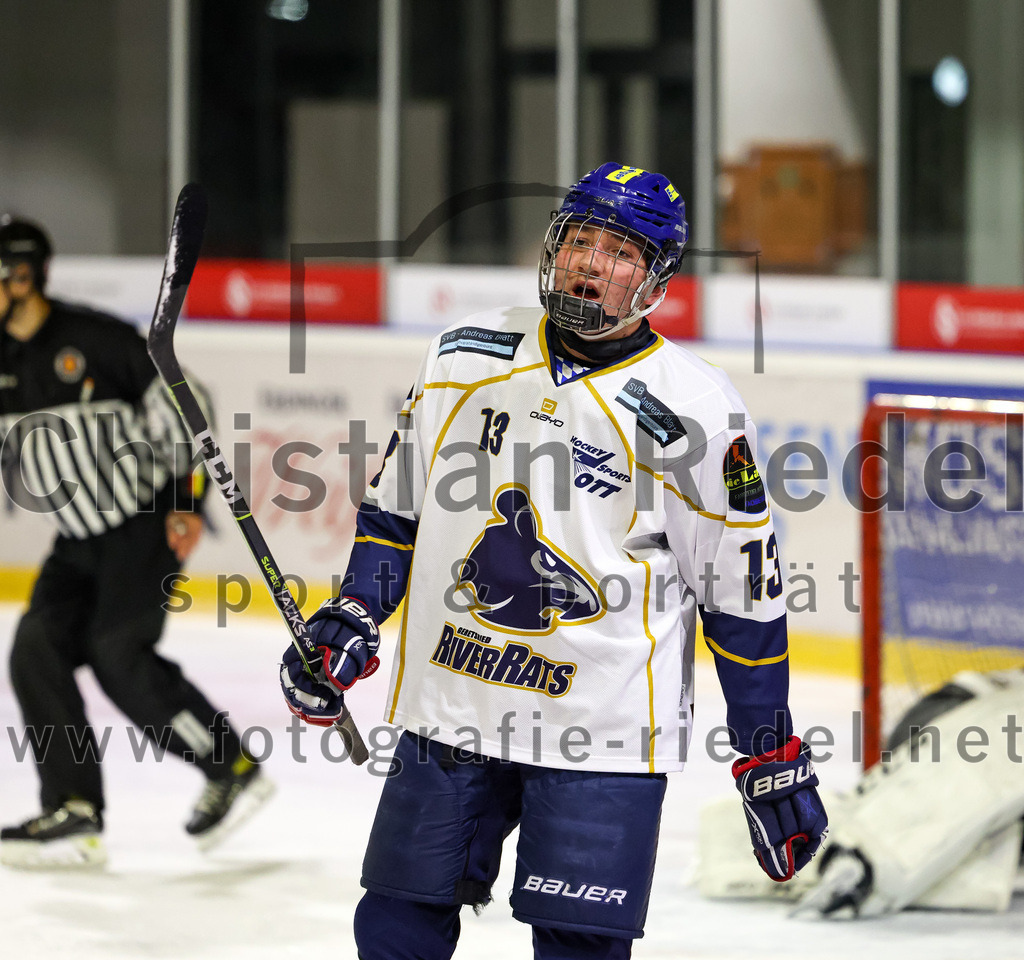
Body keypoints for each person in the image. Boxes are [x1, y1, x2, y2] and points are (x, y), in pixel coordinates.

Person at [280, 163, 828, 957]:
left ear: (657, 280)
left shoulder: (697, 410)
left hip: (600, 733)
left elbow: (740, 596)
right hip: (453, 707)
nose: (590, 264)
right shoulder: (462, 356)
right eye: (580, 241)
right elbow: (397, 513)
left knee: (579, 947)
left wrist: (767, 748)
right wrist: (354, 614)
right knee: (394, 927)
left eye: (621, 253)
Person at [0, 215, 273, 868]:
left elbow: (187, 404)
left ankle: (230, 765)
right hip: (76, 539)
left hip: (142, 523)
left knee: (116, 652)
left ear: (22, 276)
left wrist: (187, 501)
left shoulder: (97, 340)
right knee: (35, 648)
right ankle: (74, 808)